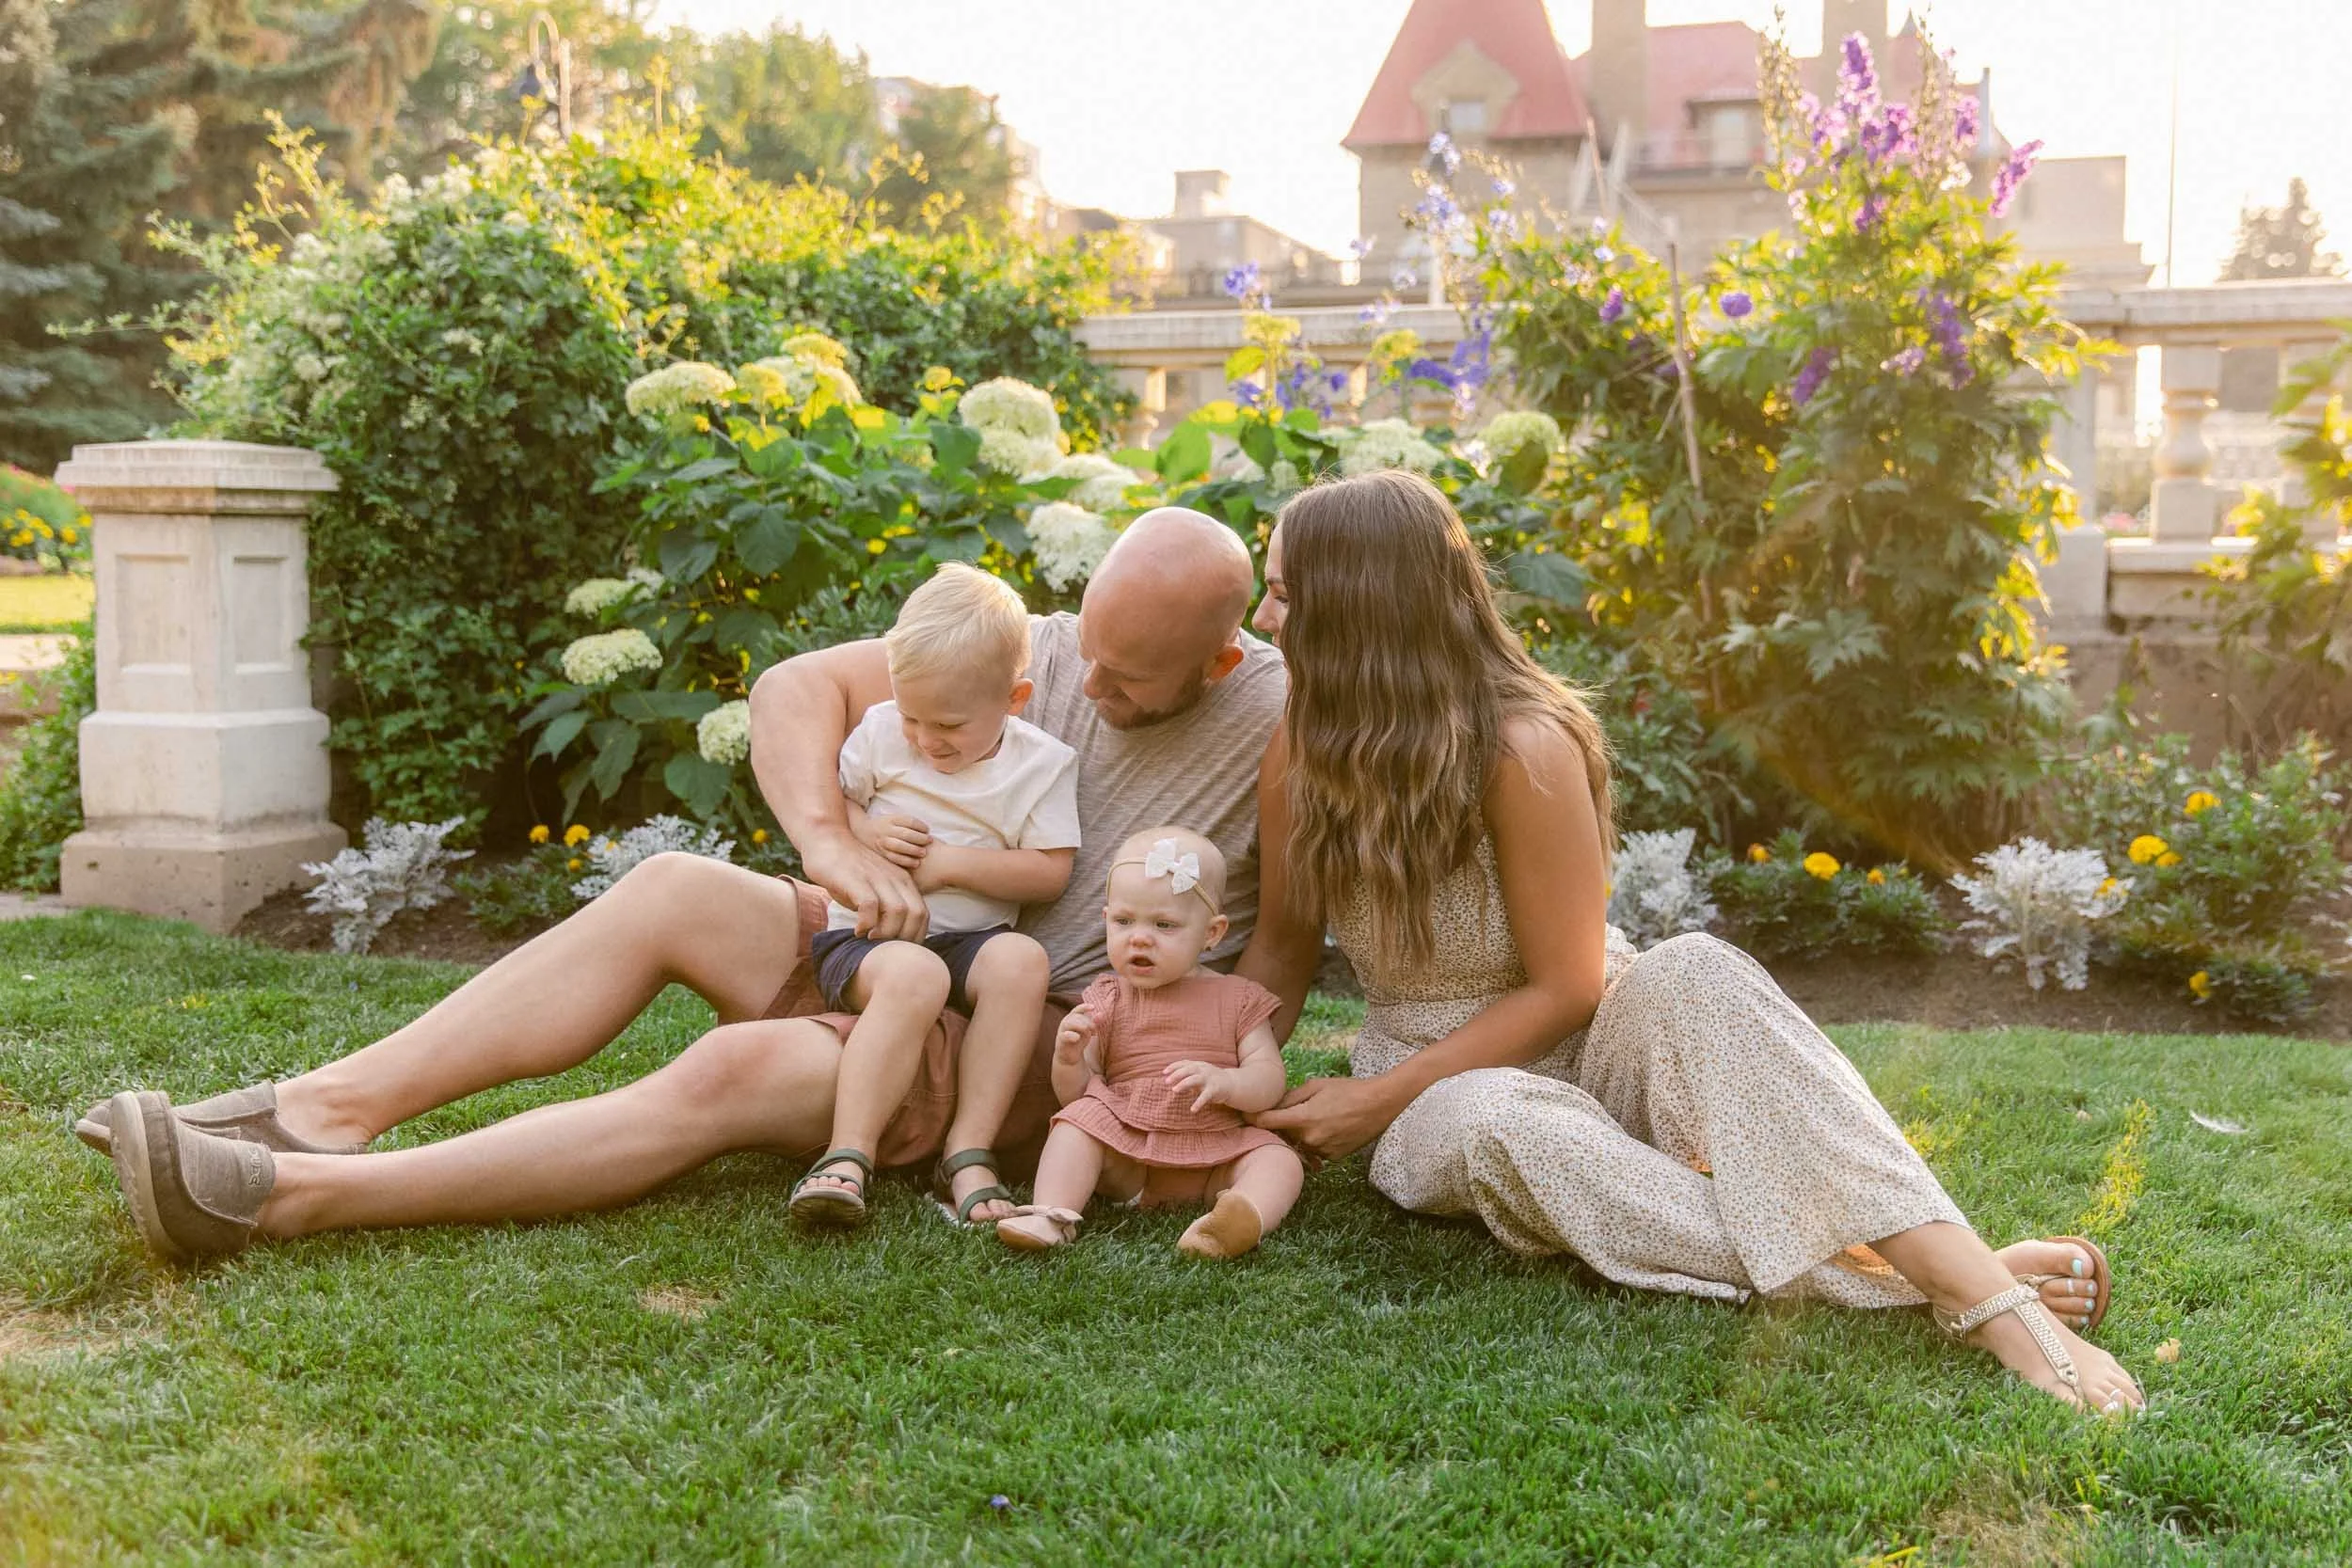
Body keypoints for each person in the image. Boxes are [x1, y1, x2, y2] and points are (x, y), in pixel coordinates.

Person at [85, 508, 1289, 1261]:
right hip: (885, 943)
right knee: (667, 883)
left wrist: (1175, 1088)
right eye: (1091, 648)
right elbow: (795, 691)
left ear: (1221, 655)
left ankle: (280, 1197)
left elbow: (1281, 950)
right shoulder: (1046, 649)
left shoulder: (1281, 721)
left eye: (1130, 682)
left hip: (1014, 1032)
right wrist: (833, 847)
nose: (1095, 687)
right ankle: (322, 1109)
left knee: (730, 1068)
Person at [1232, 467, 2143, 1416]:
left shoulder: (1520, 745)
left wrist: (1367, 1100)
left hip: (1593, 1033)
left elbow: (1567, 986)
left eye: (1286, 590)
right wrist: (1197, 1068)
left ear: (1361, 603)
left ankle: (1978, 1290)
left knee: (1697, 966)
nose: (1264, 615)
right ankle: (1952, 1274)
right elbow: (1279, 949)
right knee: (1504, 1121)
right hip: (1442, 1085)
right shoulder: (1299, 746)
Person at [787, 563, 1076, 1228]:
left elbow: (1049, 871)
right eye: (912, 716)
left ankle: (967, 1149)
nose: (923, 739)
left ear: (1015, 697)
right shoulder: (885, 731)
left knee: (1022, 962)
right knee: (914, 972)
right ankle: (846, 1153)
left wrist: (950, 865)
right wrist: (869, 829)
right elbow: (838, 809)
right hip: (870, 938)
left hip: (969, 942)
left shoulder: (1042, 764)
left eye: (946, 724)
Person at [997, 829, 1305, 1259]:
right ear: (1106, 919)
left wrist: (1227, 1081)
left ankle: (1239, 1218)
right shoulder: (1107, 997)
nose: (1139, 938)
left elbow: (1269, 1080)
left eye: (1164, 925)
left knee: (1279, 1161)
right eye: (1124, 922)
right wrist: (1068, 1057)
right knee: (1076, 1123)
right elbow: (1078, 1094)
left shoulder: (1240, 998)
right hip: (1129, 1160)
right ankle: (1051, 1214)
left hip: (1217, 1154)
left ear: (1211, 933)